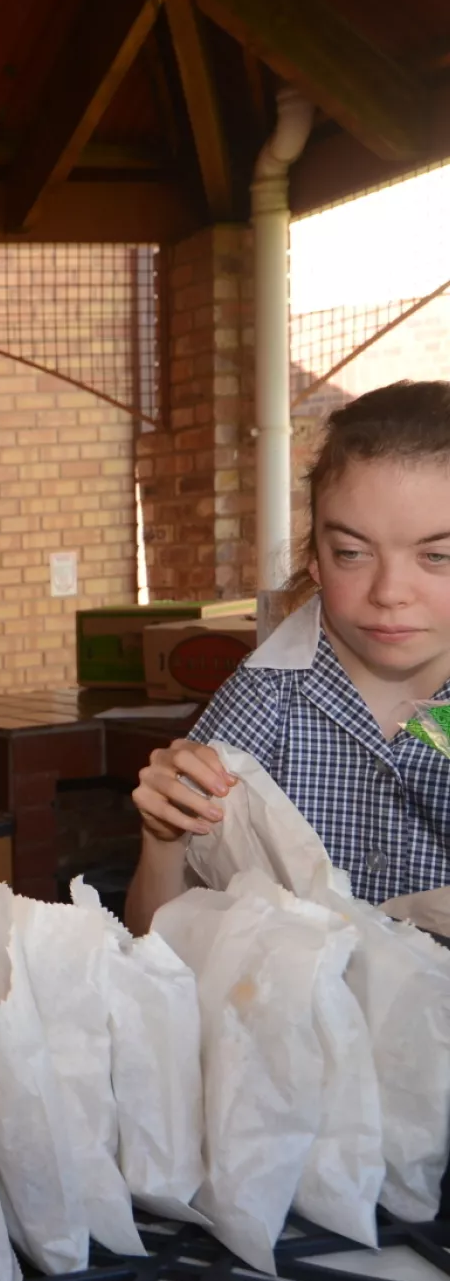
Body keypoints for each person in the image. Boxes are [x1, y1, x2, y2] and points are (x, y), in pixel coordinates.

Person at [126, 380, 450, 934]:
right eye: (351, 552)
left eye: (438, 555)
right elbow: (150, 943)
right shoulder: (265, 699)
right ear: (316, 559)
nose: (389, 592)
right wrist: (163, 840)